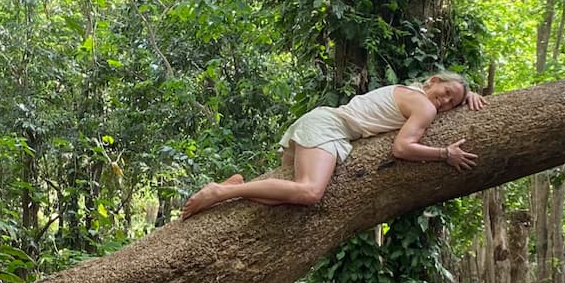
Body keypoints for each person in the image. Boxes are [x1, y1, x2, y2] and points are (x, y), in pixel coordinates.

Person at [180, 72, 486, 218]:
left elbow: (445, 103)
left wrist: (470, 97)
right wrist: (445, 154)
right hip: (329, 129)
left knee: (282, 197)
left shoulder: (409, 92)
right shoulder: (425, 106)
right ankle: (220, 191)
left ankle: (236, 184)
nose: (444, 102)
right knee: (309, 192)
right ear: (432, 81)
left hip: (322, 122)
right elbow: (401, 148)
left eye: (452, 103)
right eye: (446, 92)